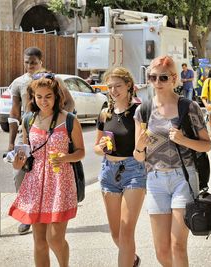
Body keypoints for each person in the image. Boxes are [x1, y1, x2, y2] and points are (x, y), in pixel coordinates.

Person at [133, 55, 211, 267]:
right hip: (155, 181)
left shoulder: (189, 107)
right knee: (162, 251)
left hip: (183, 178)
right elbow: (138, 156)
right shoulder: (143, 110)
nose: (157, 83)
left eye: (163, 78)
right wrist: (140, 145)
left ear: (174, 78)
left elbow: (207, 145)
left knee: (178, 245)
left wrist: (183, 139)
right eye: (153, 77)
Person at [9, 72, 85, 267]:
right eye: (39, 97)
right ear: (33, 97)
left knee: (55, 239)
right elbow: (25, 154)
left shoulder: (69, 120)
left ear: (56, 96)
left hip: (60, 183)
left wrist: (66, 157)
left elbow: (81, 152)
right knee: (39, 242)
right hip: (35, 184)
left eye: (48, 96)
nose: (44, 101)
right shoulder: (29, 120)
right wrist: (18, 163)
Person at [7, 47, 75, 235]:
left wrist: (60, 119)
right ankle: (28, 214)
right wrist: (12, 141)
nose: (30, 66)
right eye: (27, 62)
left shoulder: (54, 80)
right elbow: (14, 112)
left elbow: (70, 102)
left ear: (41, 62)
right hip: (28, 131)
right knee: (21, 173)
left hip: (52, 132)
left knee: (52, 173)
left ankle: (53, 211)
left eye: (34, 62)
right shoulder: (18, 83)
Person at [93, 67, 146, 267]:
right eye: (110, 86)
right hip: (108, 171)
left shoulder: (137, 111)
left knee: (125, 231)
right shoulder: (105, 113)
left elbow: (140, 146)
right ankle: (132, 259)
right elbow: (96, 148)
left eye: (118, 86)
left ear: (129, 86)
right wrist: (101, 148)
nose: (114, 90)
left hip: (133, 171)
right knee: (116, 234)